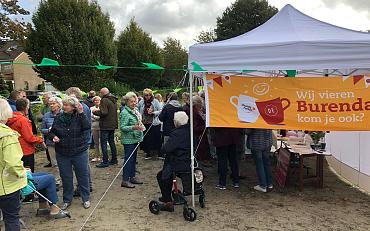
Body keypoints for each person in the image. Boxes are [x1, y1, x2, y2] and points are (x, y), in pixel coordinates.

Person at [48, 96, 91, 209]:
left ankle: (85, 198)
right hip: (62, 153)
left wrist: (81, 113)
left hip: (79, 151)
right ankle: (67, 200)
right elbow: (51, 132)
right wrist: (54, 137)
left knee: (82, 175)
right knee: (66, 177)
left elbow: (87, 127)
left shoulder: (79, 116)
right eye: (64, 104)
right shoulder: (59, 117)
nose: (64, 106)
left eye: (66, 105)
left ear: (73, 107)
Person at [0, 98, 28, 231]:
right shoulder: (7, 135)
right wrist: (23, 173)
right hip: (6, 186)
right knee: (11, 219)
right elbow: (12, 163)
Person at [156, 111, 191, 212]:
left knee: (162, 176)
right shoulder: (190, 130)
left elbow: (166, 149)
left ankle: (167, 200)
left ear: (176, 122)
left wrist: (162, 149)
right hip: (188, 160)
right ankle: (166, 196)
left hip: (178, 162)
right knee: (166, 174)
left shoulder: (176, 133)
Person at [7, 98, 45, 173]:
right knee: (29, 173)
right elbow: (29, 138)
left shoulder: (10, 118)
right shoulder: (23, 120)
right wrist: (40, 140)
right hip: (26, 151)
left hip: (16, 149)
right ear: (26, 107)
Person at [120, 92, 144, 188]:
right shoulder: (125, 112)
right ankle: (125, 180)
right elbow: (122, 127)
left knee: (133, 159)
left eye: (135, 101)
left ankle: (132, 176)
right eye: (131, 102)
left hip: (135, 138)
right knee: (128, 160)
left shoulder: (135, 110)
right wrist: (133, 127)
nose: (134, 103)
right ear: (127, 102)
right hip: (128, 140)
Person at [94, 87, 118, 168]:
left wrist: (95, 112)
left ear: (102, 93)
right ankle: (114, 159)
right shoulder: (113, 100)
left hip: (105, 125)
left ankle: (105, 161)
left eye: (100, 93)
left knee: (103, 144)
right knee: (111, 142)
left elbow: (104, 112)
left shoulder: (104, 100)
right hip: (112, 125)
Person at [138, 88, 162, 160]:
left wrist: (154, 112)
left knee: (156, 138)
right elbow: (138, 110)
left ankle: (159, 152)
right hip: (145, 122)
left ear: (151, 95)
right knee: (146, 138)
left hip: (154, 122)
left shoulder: (155, 101)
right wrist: (140, 117)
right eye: (145, 95)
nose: (147, 96)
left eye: (148, 95)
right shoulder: (141, 102)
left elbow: (161, 110)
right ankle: (148, 153)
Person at [246, 129, 273, 193]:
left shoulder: (253, 119)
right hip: (267, 142)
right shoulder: (267, 118)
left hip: (256, 144)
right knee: (266, 163)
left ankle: (263, 185)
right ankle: (269, 184)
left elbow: (247, 131)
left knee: (259, 164)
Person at [41, 97, 62, 167]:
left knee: (63, 163)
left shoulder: (64, 114)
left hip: (62, 142)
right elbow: (42, 129)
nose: (51, 105)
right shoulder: (46, 115)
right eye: (50, 104)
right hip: (50, 143)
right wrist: (49, 130)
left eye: (53, 103)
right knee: (55, 164)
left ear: (59, 105)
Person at [192, 95, 209, 161]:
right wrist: (205, 126)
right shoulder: (194, 112)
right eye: (201, 102)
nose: (202, 104)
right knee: (200, 150)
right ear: (197, 103)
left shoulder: (198, 111)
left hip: (201, 135)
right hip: (199, 136)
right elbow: (195, 127)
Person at [90, 96, 101, 162]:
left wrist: (94, 116)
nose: (97, 101)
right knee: (96, 142)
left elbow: (101, 117)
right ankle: (97, 156)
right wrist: (96, 117)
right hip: (94, 127)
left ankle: (104, 156)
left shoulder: (102, 108)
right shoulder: (91, 108)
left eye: (98, 100)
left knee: (102, 142)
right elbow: (90, 117)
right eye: (95, 100)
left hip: (101, 126)